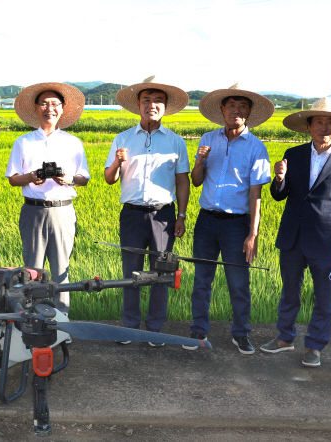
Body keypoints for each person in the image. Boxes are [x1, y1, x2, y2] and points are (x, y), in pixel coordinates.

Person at [260, 97, 331, 368]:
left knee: (325, 296)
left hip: (327, 242)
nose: (325, 127)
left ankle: (315, 346)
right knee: (289, 291)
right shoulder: (293, 155)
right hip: (292, 237)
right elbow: (279, 196)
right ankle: (284, 338)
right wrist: (279, 180)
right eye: (319, 121)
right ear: (309, 126)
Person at [186, 84, 274, 355]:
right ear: (222, 109)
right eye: (231, 106)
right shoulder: (208, 139)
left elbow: (256, 194)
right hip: (206, 221)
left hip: (237, 225)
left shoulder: (256, 147)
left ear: (248, 113)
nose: (236, 111)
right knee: (202, 280)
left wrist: (252, 234)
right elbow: (196, 181)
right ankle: (198, 333)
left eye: (242, 107)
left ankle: (241, 334)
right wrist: (199, 162)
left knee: (238, 282)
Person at [104, 77, 190, 345]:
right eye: (146, 100)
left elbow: (182, 180)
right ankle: (130, 326)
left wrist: (182, 215)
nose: (151, 105)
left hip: (164, 215)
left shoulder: (176, 142)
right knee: (130, 273)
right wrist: (117, 163)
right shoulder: (123, 138)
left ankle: (154, 329)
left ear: (165, 107)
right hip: (131, 214)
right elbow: (108, 178)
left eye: (157, 101)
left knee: (161, 273)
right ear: (138, 106)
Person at [5, 82, 90, 314]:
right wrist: (31, 177)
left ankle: (61, 320)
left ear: (62, 109)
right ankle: (33, 319)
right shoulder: (23, 142)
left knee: (62, 267)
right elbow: (13, 178)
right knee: (32, 270)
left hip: (63, 210)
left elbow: (84, 178)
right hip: (33, 210)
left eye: (55, 104)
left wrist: (69, 179)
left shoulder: (73, 142)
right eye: (44, 103)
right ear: (36, 108)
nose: (49, 108)